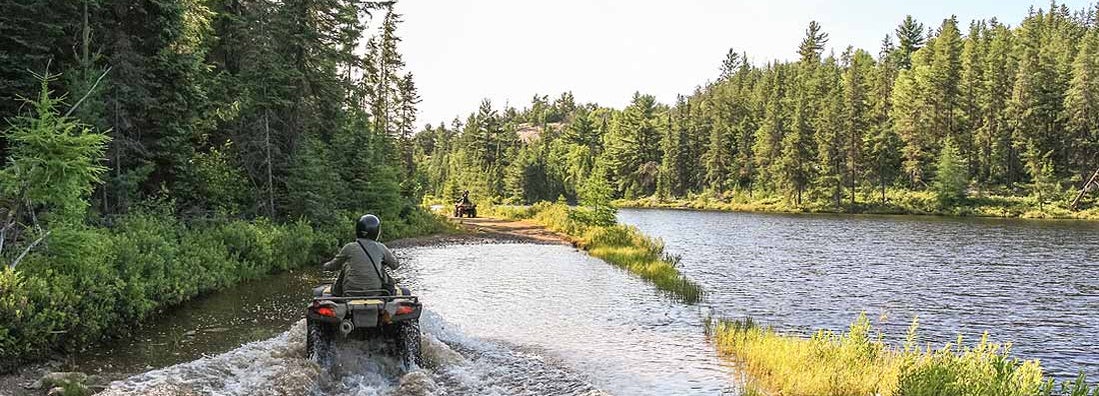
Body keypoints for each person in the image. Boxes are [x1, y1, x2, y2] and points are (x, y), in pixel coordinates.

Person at [322, 214, 400, 296]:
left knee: (346, 265)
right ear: (376, 232)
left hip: (350, 292)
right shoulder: (381, 247)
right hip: (375, 292)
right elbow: (395, 265)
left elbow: (332, 266)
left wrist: (325, 265)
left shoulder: (349, 247)